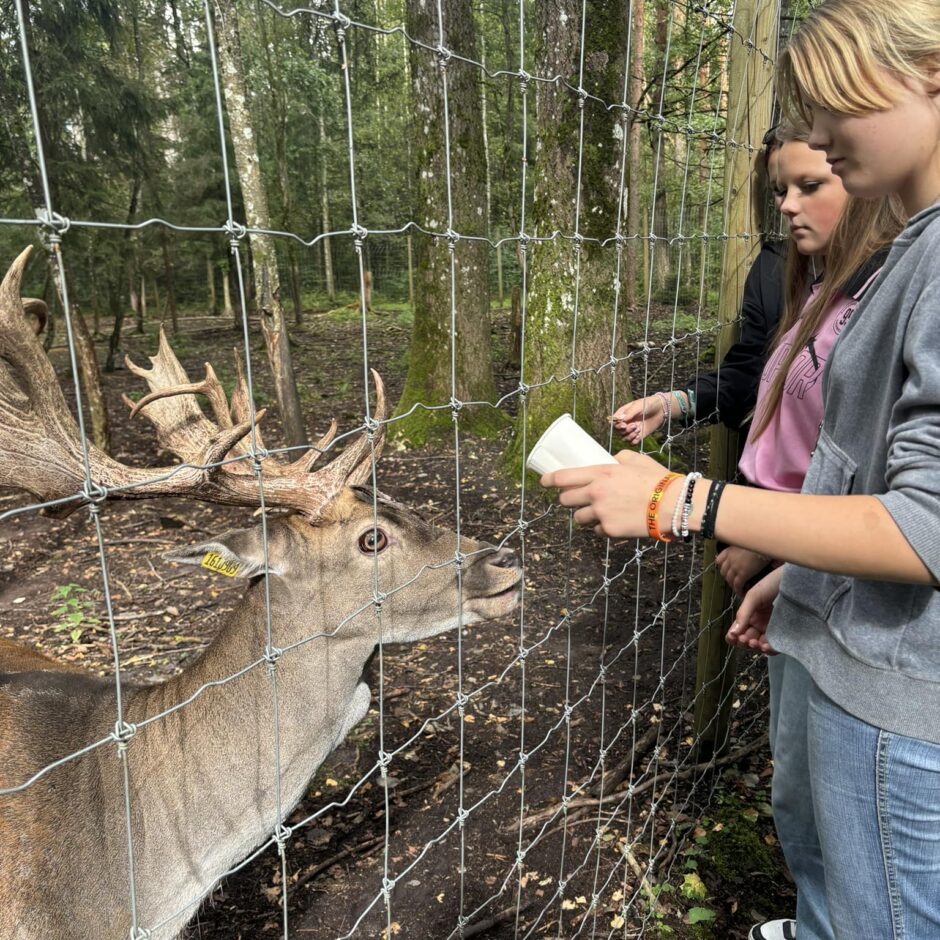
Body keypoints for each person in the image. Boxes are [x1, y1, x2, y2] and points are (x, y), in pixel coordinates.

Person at [539, 1, 940, 937]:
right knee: (831, 872)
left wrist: (687, 500)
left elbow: (926, 524)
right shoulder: (899, 256)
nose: (825, 135)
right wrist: (801, 572)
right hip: (855, 638)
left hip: (898, 689)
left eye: (840, 99)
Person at [613, 128, 785, 443]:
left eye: (812, 186)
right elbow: (749, 370)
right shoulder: (773, 268)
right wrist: (670, 404)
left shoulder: (884, 277)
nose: (786, 206)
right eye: (780, 190)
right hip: (762, 473)